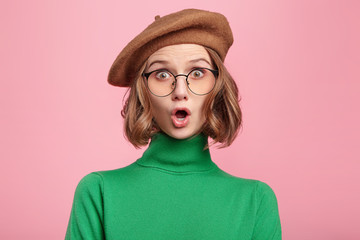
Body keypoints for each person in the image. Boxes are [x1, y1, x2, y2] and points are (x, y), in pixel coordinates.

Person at [65, 8, 282, 240]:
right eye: (162, 75)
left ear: (218, 87)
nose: (180, 91)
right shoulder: (98, 193)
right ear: (143, 92)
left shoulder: (256, 200)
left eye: (197, 73)